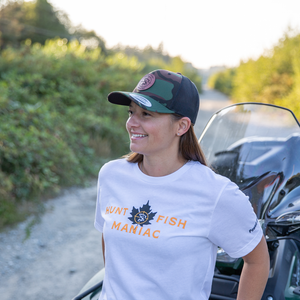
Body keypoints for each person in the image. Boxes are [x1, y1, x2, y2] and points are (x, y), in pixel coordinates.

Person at [94, 69, 270, 300]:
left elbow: (257, 261)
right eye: (131, 112)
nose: (131, 123)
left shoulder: (216, 193)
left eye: (146, 114)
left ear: (182, 126)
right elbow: (110, 241)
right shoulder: (112, 175)